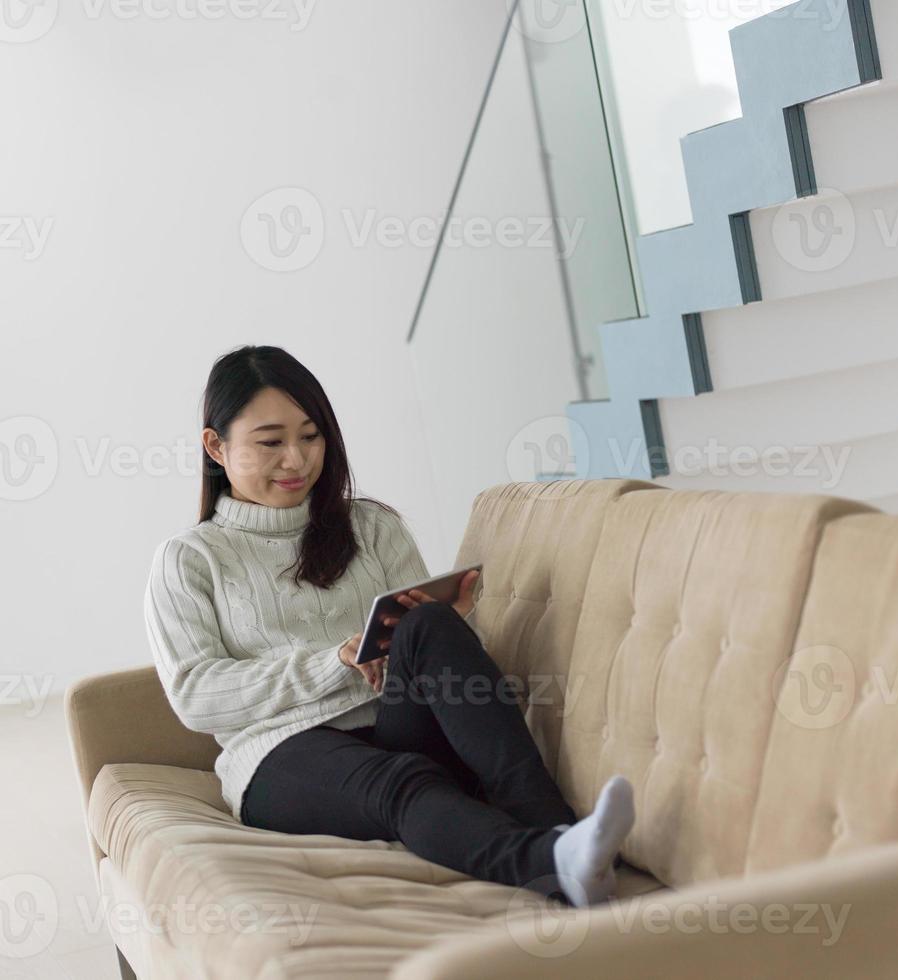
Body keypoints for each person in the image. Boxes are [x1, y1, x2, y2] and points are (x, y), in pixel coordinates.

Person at [143, 344, 635, 906]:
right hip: (280, 754)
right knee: (402, 783)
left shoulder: (371, 527)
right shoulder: (189, 559)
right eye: (270, 442)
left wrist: (435, 637)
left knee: (426, 621)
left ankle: (555, 824)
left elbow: (445, 663)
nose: (297, 460)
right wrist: (334, 665)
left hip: (394, 728)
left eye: (311, 436)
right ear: (216, 446)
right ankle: (552, 866)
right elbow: (195, 696)